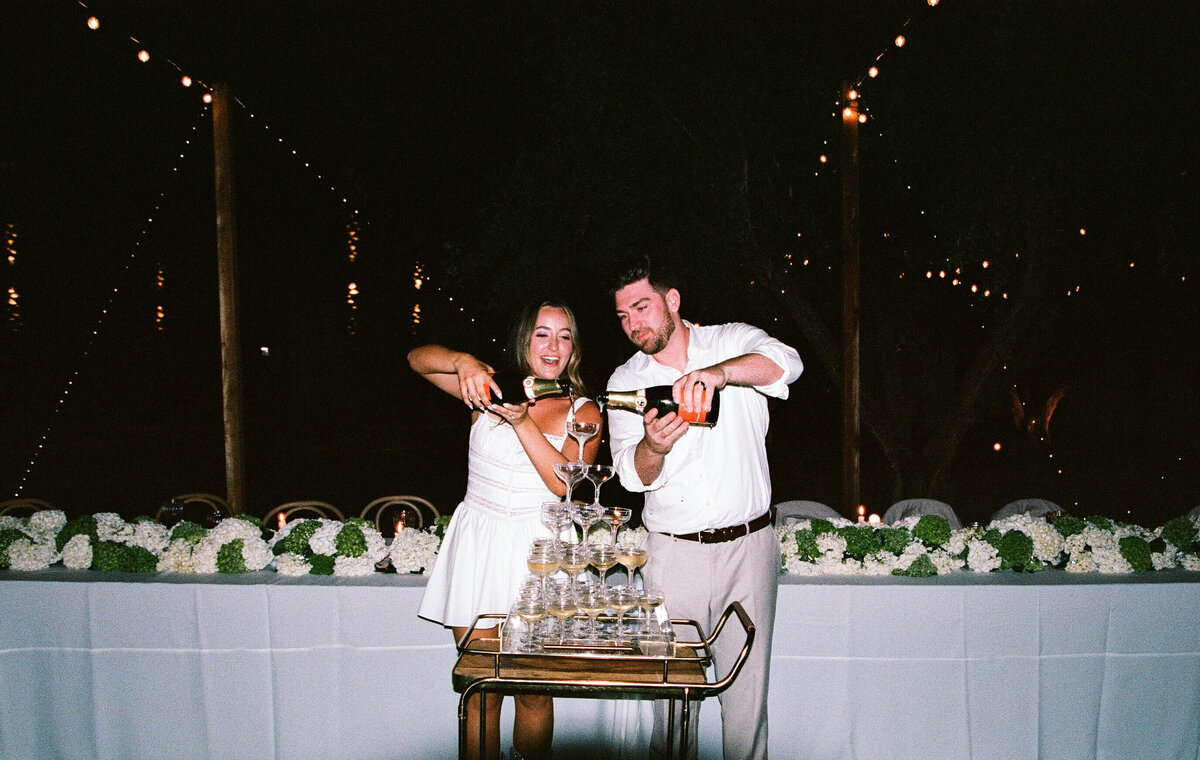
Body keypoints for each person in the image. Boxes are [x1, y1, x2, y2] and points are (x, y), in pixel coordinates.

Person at [605, 257, 802, 760]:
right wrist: (655, 445)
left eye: (642, 307)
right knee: (671, 707)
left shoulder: (730, 340)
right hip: (673, 558)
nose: (633, 324)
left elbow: (786, 362)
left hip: (749, 548)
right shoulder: (624, 382)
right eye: (623, 315)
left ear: (672, 300)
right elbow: (631, 473)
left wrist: (716, 376)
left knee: (745, 705)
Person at [412, 299, 602, 760]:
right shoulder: (488, 392)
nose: (553, 345)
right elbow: (417, 360)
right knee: (481, 687)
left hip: (536, 555)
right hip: (478, 545)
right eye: (542, 333)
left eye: (564, 335)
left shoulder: (585, 410)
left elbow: (565, 483)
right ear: (526, 340)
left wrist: (521, 423)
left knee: (532, 690)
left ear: (573, 347)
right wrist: (463, 363)